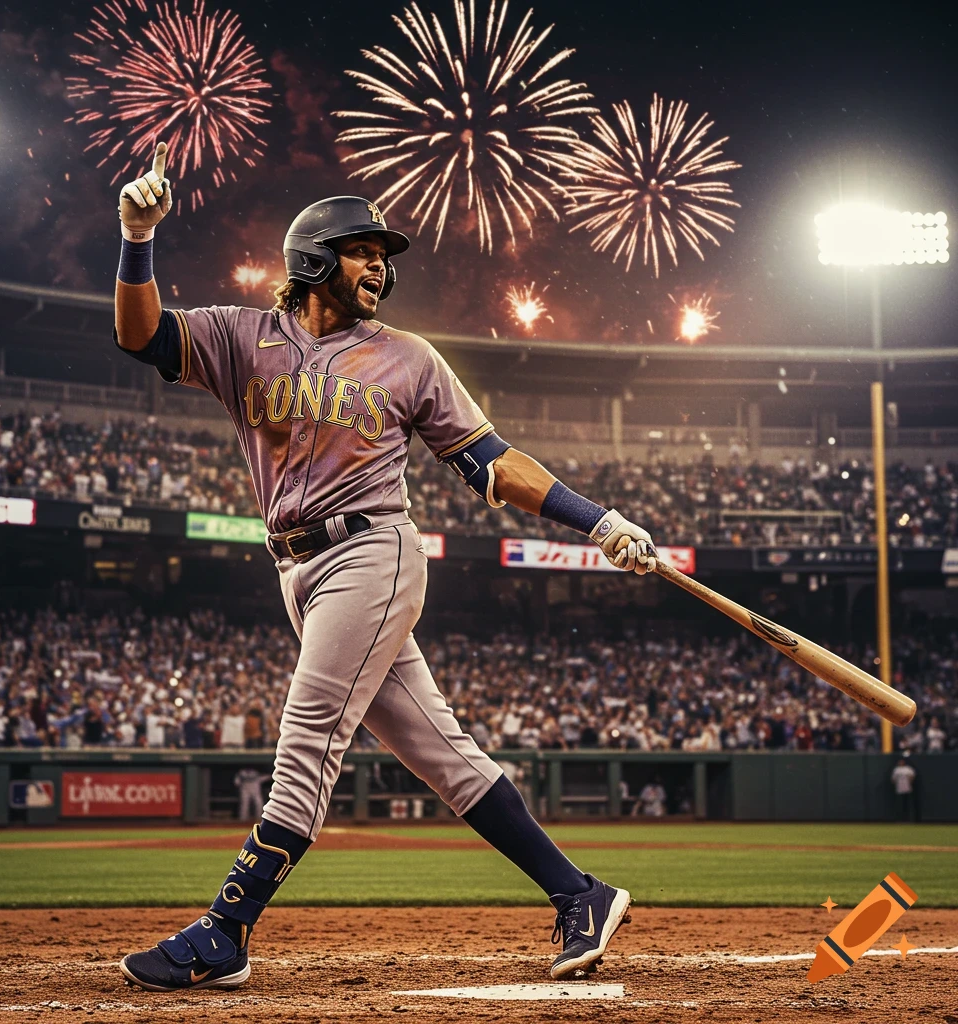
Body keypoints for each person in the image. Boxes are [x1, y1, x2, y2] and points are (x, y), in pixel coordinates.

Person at [112, 144, 656, 992]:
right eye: (363, 251)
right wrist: (137, 237)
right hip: (297, 569)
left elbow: (494, 462)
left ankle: (226, 930)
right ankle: (580, 892)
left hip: (374, 551)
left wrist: (599, 521)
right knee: (445, 757)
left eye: (380, 257)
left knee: (308, 736)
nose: (378, 267)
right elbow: (140, 335)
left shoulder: (409, 357)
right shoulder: (240, 337)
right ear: (313, 258)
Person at [891, 754, 918, 821]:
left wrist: (909, 783)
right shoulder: (896, 769)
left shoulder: (908, 769)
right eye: (900, 761)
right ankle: (900, 818)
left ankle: (910, 818)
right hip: (899, 789)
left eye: (902, 761)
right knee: (900, 804)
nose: (901, 763)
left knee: (908, 804)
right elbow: (893, 779)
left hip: (907, 788)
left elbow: (912, 777)